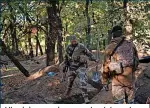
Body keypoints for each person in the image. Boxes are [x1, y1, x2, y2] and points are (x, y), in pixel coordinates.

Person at [102, 25, 139, 104]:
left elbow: (105, 66)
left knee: (118, 102)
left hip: (117, 81)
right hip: (130, 79)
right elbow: (137, 61)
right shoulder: (131, 44)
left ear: (113, 34)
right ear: (121, 33)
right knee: (131, 102)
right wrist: (131, 71)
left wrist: (105, 81)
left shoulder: (110, 47)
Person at [62, 35, 98, 103]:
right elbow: (66, 57)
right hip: (72, 67)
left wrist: (95, 59)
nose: (74, 41)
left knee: (82, 81)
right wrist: (65, 65)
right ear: (70, 41)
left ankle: (86, 98)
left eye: (75, 40)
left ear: (76, 40)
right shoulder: (68, 48)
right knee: (70, 81)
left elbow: (88, 53)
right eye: (72, 40)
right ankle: (67, 92)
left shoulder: (81, 46)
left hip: (81, 66)